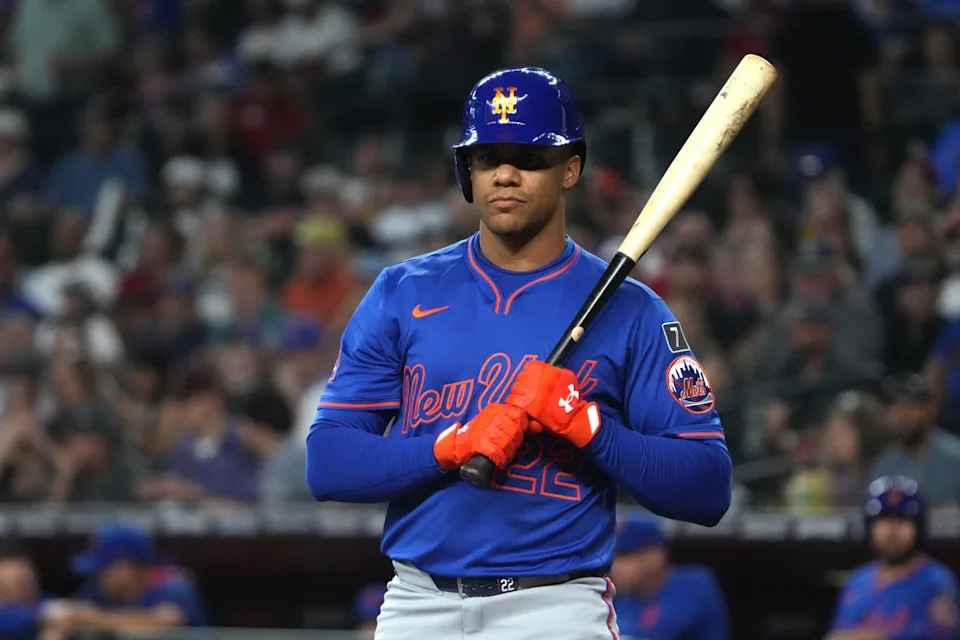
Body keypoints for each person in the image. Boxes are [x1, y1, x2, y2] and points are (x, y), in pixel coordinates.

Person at [306, 67, 732, 639]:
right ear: (467, 171)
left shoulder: (632, 310)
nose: (505, 173)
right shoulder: (403, 292)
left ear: (571, 169)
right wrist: (449, 447)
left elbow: (707, 487)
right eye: (487, 157)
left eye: (530, 157)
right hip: (416, 602)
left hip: (553, 606)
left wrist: (588, 427)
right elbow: (328, 463)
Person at [826, 476, 959, 639]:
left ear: (918, 528)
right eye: (883, 521)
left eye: (901, 521)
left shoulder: (937, 583)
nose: (891, 531)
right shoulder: (857, 580)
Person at [40, 522, 208, 639]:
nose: (99, 575)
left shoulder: (172, 584)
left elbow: (161, 624)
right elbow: (72, 611)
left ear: (126, 567)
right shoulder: (101, 590)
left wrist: (91, 618)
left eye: (105, 568)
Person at [611, 517, 727, 640]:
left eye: (625, 555)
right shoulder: (624, 600)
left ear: (655, 556)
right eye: (613, 556)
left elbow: (661, 630)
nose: (615, 566)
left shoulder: (693, 585)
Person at [869, 374, 960, 506]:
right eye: (898, 408)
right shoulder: (885, 464)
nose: (903, 416)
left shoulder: (955, 458)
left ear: (931, 410)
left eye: (910, 407)